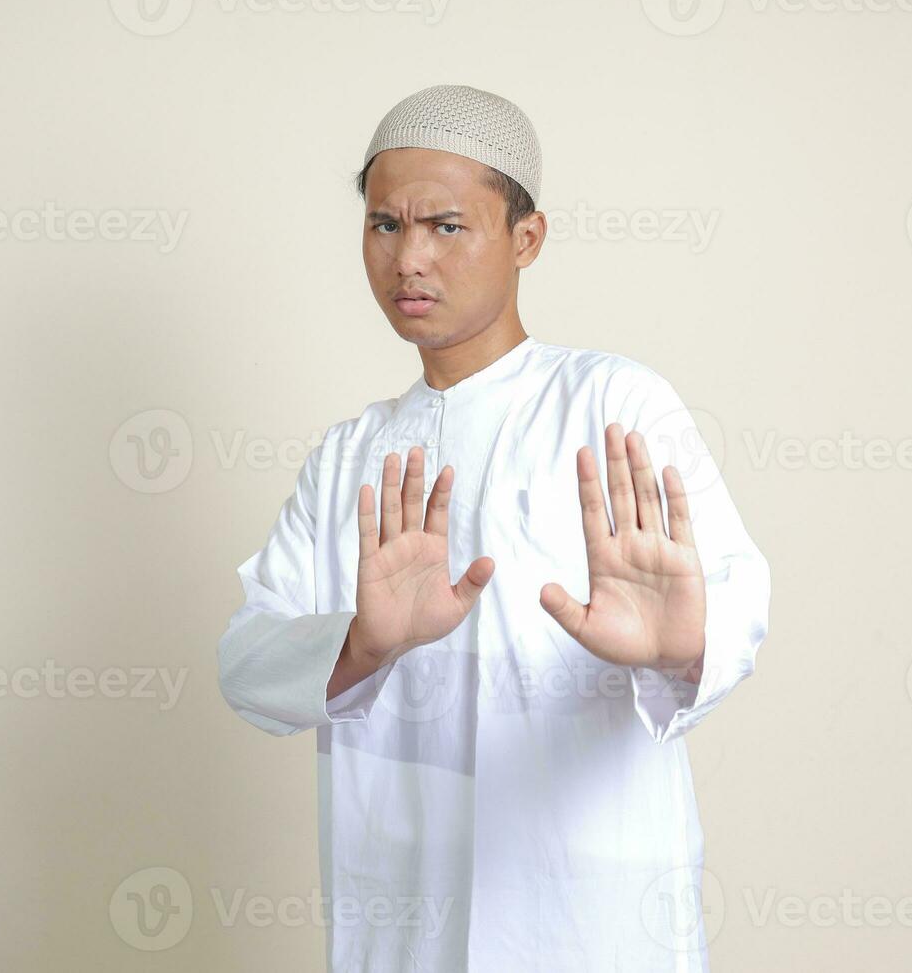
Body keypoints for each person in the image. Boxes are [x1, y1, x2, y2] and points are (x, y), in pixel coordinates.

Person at [217, 83, 771, 972]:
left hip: (590, 918)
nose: (409, 261)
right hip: (403, 915)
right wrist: (361, 645)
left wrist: (679, 646)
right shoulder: (351, 456)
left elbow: (737, 593)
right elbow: (247, 664)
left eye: (445, 225)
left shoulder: (609, 403)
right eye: (384, 226)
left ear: (526, 238)